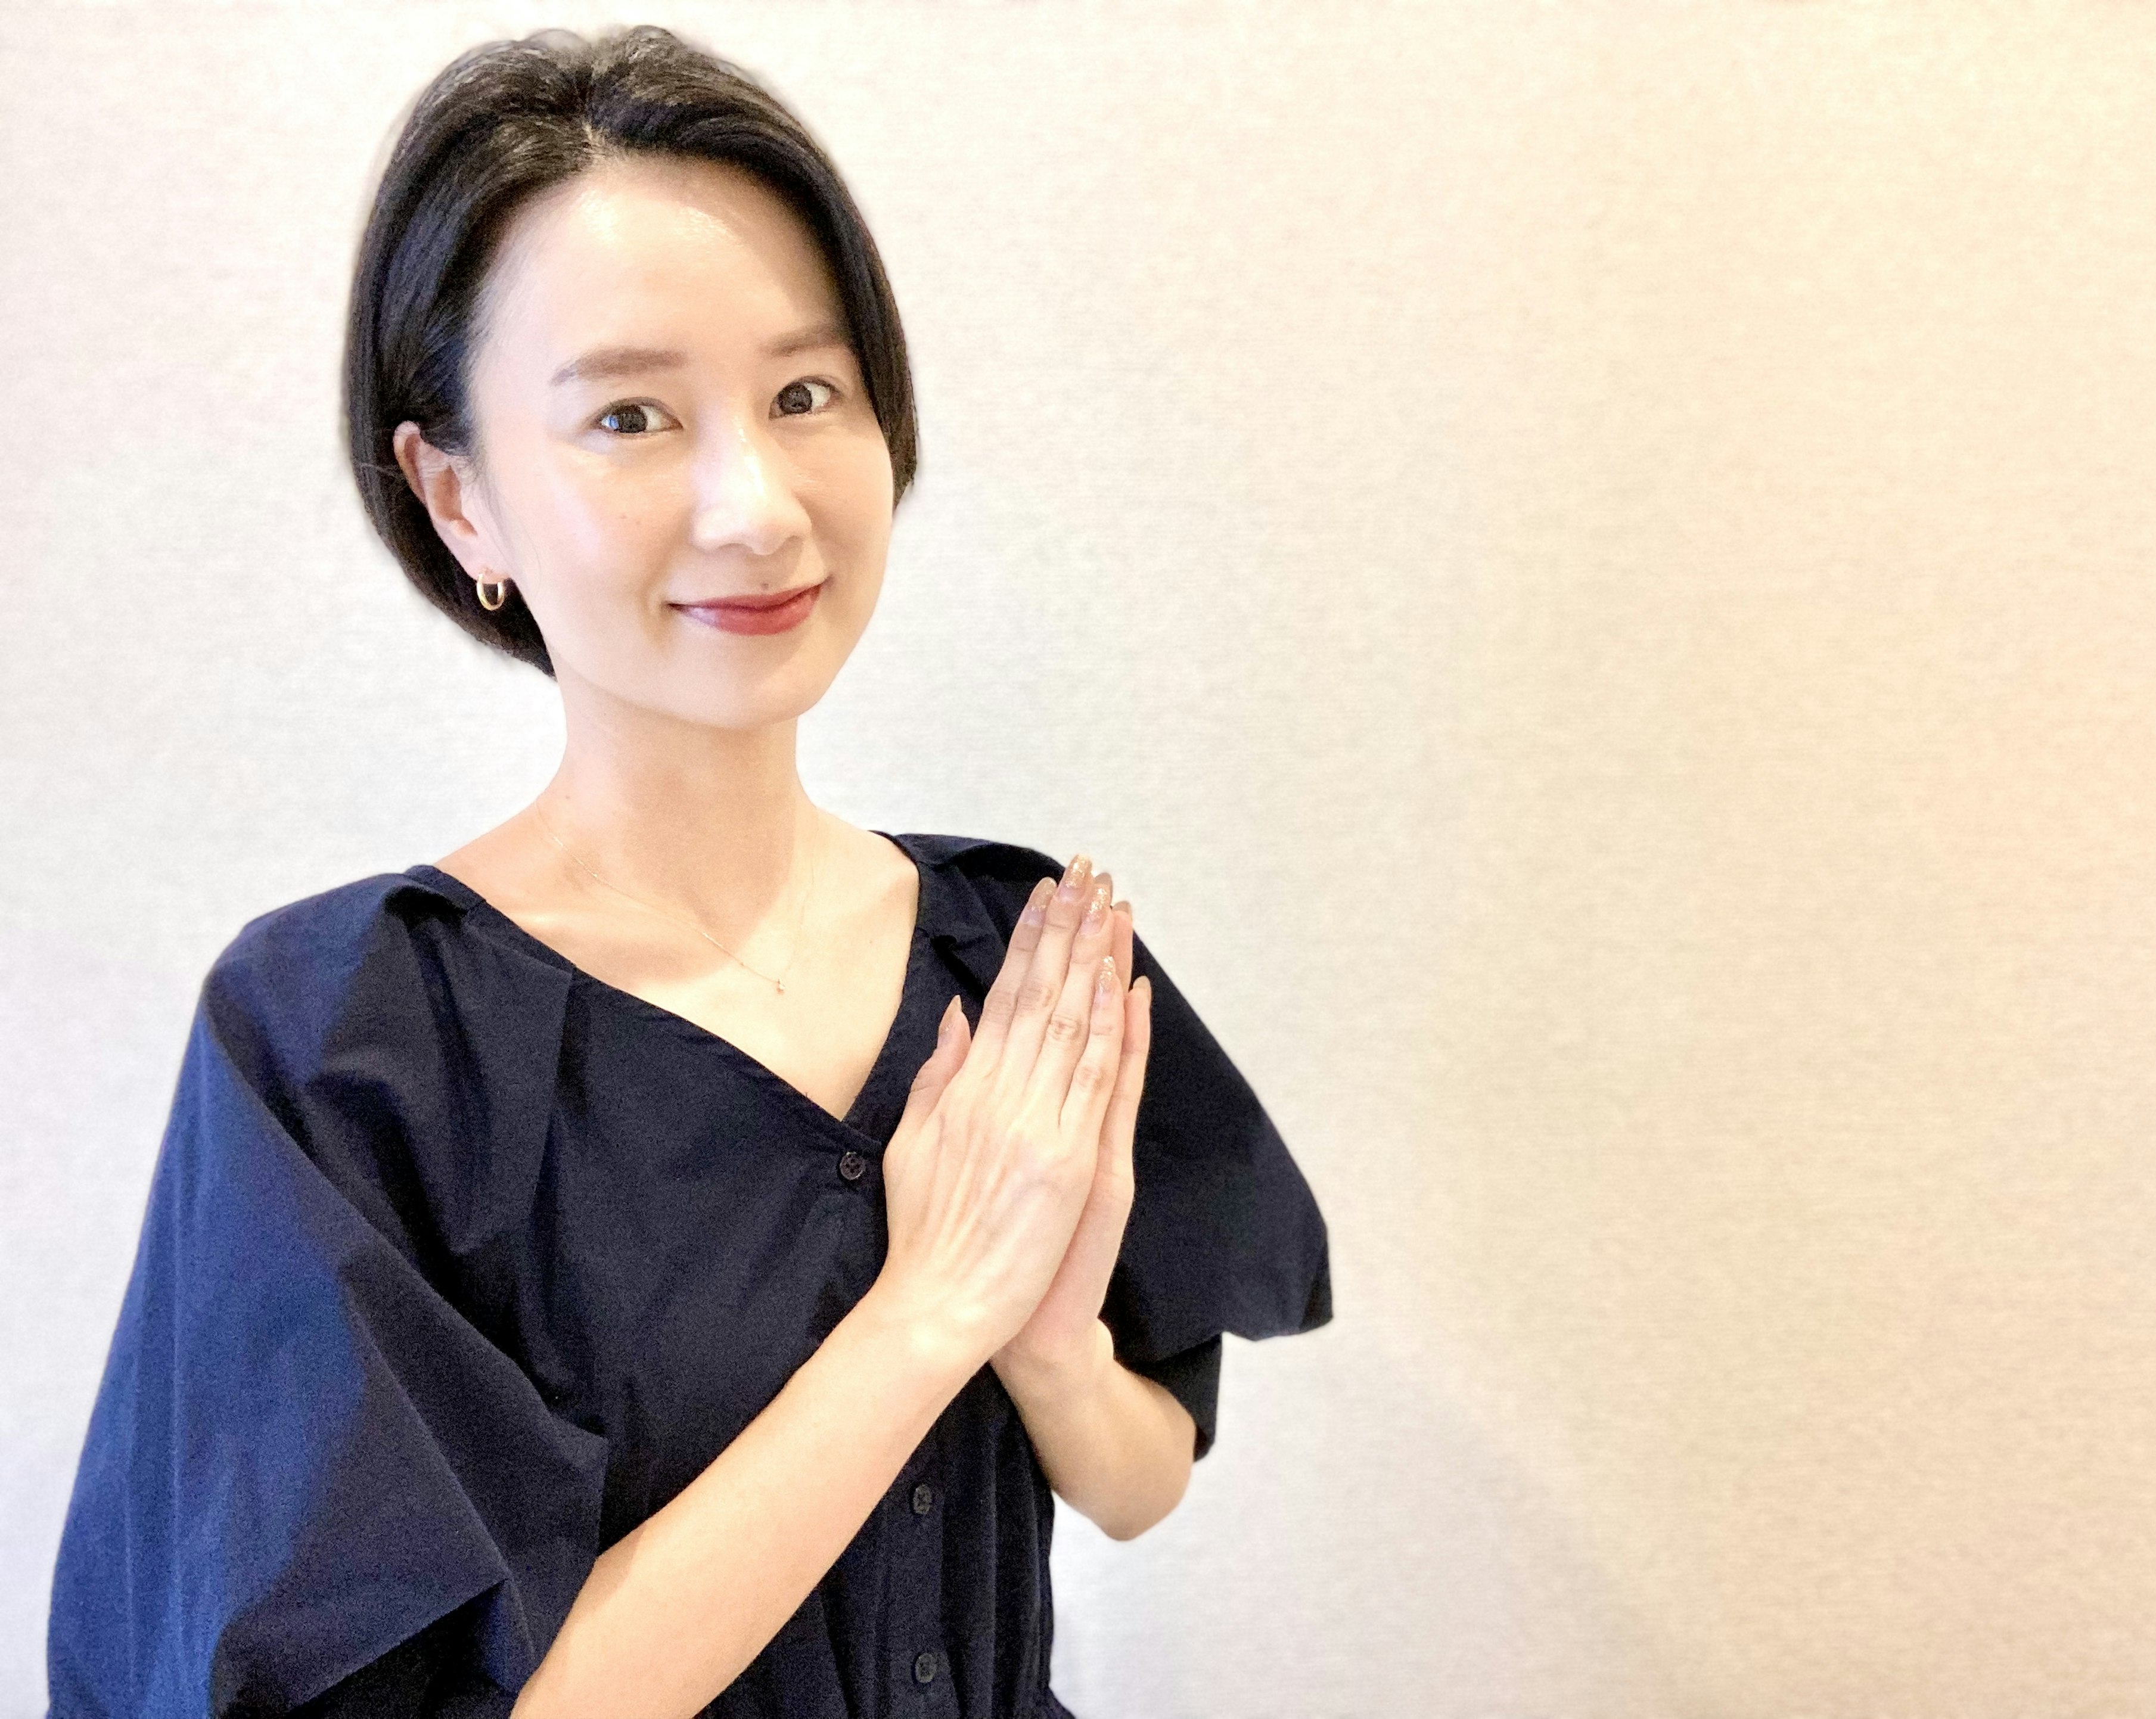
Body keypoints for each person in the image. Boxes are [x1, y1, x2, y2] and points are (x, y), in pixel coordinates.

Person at [42, 24, 1332, 1719]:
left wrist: (1049, 1342)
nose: (756, 506)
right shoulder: (348, 1042)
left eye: (806, 394)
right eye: (632, 416)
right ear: (460, 501)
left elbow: (1138, 1473)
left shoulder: (1012, 956)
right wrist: (928, 1310)